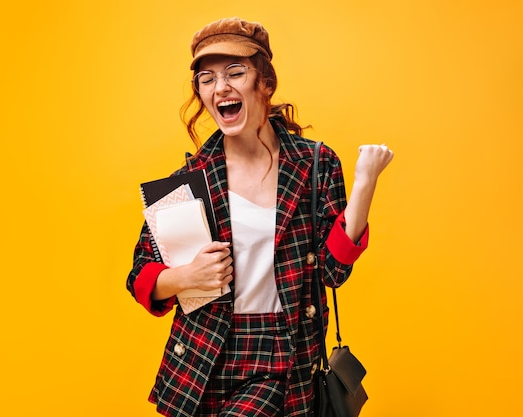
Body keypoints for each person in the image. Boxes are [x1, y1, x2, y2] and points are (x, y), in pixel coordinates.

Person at [126, 17, 393, 417]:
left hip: (282, 353)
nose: (221, 88)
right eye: (207, 79)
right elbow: (140, 276)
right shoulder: (188, 181)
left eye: (236, 72)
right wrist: (188, 277)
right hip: (204, 355)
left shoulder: (314, 164)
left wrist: (365, 185)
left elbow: (333, 272)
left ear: (265, 83)